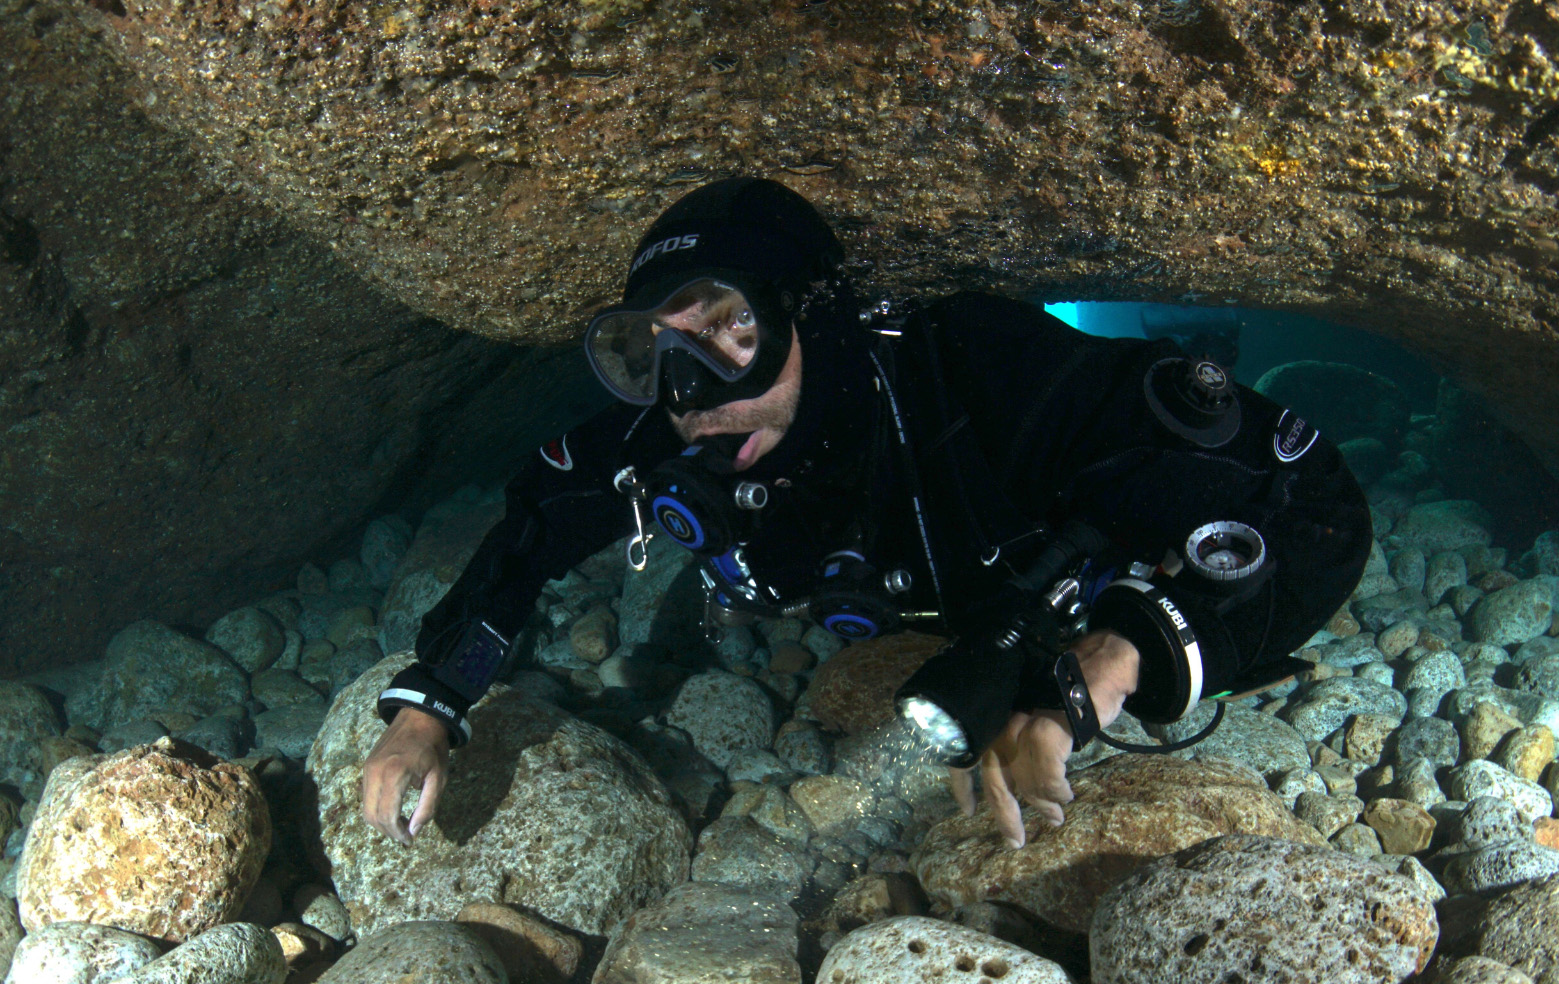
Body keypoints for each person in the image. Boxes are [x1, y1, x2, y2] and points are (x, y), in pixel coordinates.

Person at [362, 177, 1371, 849]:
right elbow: (537, 516)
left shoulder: (979, 373)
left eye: (729, 329)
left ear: (815, 314)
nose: (691, 393)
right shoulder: (668, 434)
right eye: (649, 351)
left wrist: (1107, 666)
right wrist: (432, 698)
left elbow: (1310, 503)